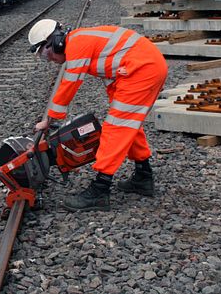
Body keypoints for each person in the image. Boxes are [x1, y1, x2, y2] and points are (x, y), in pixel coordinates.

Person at [28, 18, 168, 212]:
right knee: (129, 126)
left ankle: (100, 190)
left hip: (142, 69)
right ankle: (143, 176)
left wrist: (49, 120)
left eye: (46, 54)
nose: (50, 60)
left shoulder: (76, 44)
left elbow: (69, 86)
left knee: (116, 128)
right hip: (140, 67)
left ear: (56, 42)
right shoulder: (79, 39)